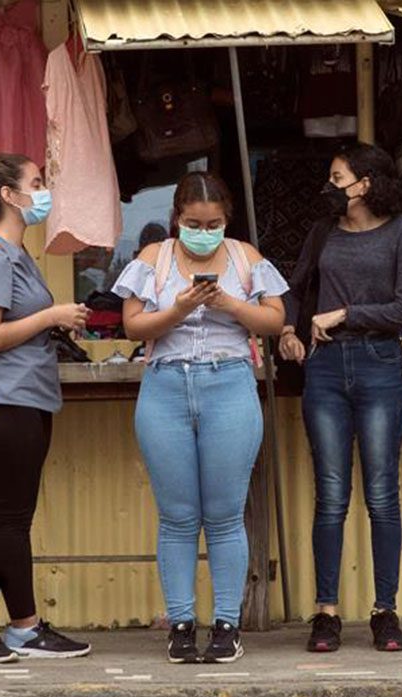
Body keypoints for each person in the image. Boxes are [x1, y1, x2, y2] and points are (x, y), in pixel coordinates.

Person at [112, 172, 289, 664]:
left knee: (226, 513)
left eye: (213, 223)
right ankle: (182, 622)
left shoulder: (245, 257)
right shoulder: (154, 257)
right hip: (165, 384)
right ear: (177, 218)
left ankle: (227, 623)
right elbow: (132, 325)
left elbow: (274, 320)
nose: (204, 231)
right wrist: (179, 309)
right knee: (177, 516)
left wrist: (229, 303)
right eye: (193, 223)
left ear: (226, 220)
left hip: (229, 380)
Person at [279, 144, 402, 654]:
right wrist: (286, 330)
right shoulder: (323, 232)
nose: (330, 185)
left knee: (382, 494)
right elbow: (293, 289)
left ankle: (385, 611)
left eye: (337, 176)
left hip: (380, 364)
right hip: (323, 368)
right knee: (331, 495)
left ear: (365, 183)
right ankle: (327, 613)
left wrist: (343, 314)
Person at [0, 153, 93, 663]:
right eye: (37, 182)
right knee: (11, 518)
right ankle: (25, 627)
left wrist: (54, 321)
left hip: (24, 394)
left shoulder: (14, 253)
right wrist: (51, 314)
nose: (44, 189)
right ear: (9, 196)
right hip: (4, 396)